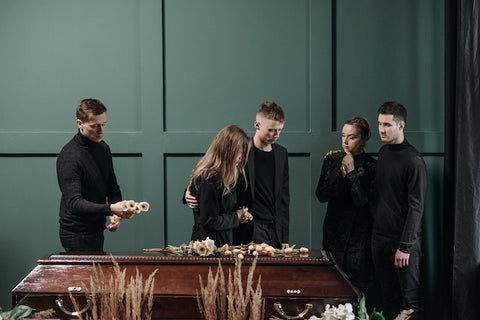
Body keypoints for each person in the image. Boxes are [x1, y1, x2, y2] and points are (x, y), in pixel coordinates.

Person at [186, 101, 290, 249]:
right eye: (272, 130)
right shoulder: (240, 148)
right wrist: (189, 193)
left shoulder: (281, 154)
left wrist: (284, 236)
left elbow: (284, 198)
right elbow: (212, 174)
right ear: (257, 125)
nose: (277, 135)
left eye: (280, 130)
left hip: (274, 229)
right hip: (246, 229)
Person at [57, 99, 135, 253]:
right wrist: (111, 208)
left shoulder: (103, 148)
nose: (101, 130)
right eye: (94, 126)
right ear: (80, 123)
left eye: (103, 124)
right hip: (75, 233)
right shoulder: (69, 156)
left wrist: (115, 213)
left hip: (96, 229)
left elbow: (112, 187)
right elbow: (74, 202)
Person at [372, 101, 427, 320]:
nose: (381, 130)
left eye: (387, 125)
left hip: (404, 244)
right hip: (379, 240)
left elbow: (417, 207)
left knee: (411, 303)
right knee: (388, 298)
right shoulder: (384, 152)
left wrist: (404, 247)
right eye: (379, 124)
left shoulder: (414, 161)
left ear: (401, 126)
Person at [315, 117, 376, 294]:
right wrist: (339, 174)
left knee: (355, 287)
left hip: (359, 236)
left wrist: (351, 173)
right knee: (332, 284)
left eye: (352, 137)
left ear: (365, 138)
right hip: (334, 232)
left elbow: (362, 201)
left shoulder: (372, 166)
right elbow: (321, 195)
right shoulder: (332, 159)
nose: (345, 141)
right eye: (343, 136)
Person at [189, 125, 253, 246]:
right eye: (240, 152)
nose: (241, 158)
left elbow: (221, 210)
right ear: (228, 151)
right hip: (208, 247)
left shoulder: (225, 177)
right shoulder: (210, 179)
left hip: (221, 244)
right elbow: (209, 221)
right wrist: (236, 217)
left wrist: (241, 214)